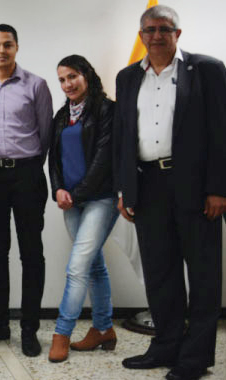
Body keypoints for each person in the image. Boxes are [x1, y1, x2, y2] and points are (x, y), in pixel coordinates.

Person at [114, 5, 226, 380]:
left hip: (195, 188)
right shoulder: (128, 76)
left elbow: (221, 133)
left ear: (178, 34)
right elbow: (123, 137)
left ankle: (195, 359)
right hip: (147, 186)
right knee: (161, 274)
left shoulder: (206, 69)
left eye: (165, 29)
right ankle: (165, 347)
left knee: (204, 274)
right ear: (141, 35)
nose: (157, 35)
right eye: (150, 29)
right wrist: (124, 188)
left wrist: (217, 188)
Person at [0, 24, 52, 357]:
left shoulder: (37, 85)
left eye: (7, 45)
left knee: (31, 253)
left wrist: (28, 166)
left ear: (16, 47)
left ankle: (29, 328)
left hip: (27, 175)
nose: (1, 51)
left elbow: (45, 134)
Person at [45, 55, 118, 363]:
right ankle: (103, 329)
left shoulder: (106, 109)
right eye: (62, 79)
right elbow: (55, 158)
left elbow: (104, 159)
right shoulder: (62, 115)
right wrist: (59, 189)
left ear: (86, 75)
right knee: (94, 266)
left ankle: (62, 332)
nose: (68, 84)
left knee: (77, 268)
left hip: (101, 198)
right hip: (71, 201)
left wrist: (76, 193)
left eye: (72, 76)